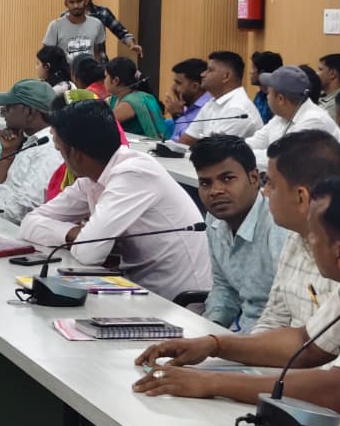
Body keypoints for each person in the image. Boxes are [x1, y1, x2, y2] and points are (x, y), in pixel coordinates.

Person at [133, 177, 340, 426]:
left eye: (313, 237)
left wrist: (210, 383)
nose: (309, 243)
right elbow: (305, 343)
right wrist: (215, 345)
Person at [20, 100, 210, 299]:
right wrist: (73, 233)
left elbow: (89, 253)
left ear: (75, 154)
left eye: (60, 150)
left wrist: (79, 237)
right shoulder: (92, 178)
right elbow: (29, 223)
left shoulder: (134, 173)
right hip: (138, 291)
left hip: (178, 301)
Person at [252, 130, 340, 331]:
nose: (265, 192)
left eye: (270, 184)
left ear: (301, 197)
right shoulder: (295, 236)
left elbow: (334, 345)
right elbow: (273, 319)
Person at [188, 135, 289, 332]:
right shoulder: (213, 220)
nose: (215, 191)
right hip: (239, 336)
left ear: (254, 178)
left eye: (227, 179)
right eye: (205, 183)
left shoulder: (278, 226)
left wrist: (228, 345)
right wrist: (211, 329)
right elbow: (225, 288)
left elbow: (289, 312)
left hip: (272, 339)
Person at [0, 79, 60, 223]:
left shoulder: (49, 149)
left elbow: (24, 210)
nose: (3, 113)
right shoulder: (29, 141)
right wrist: (7, 155)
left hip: (12, 228)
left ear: (30, 112)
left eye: (9, 107)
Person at [244, 65, 340, 151]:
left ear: (280, 99)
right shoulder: (282, 116)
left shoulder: (314, 121)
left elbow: (283, 160)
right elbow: (255, 142)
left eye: (269, 93)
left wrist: (242, 157)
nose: (267, 97)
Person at [179, 51, 263, 143]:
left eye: (210, 70)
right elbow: (187, 140)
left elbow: (216, 150)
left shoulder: (238, 109)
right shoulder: (212, 102)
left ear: (226, 76)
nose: (202, 74)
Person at [70, 0, 142, 58]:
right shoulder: (67, 16)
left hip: (99, 63)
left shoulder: (103, 13)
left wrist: (132, 45)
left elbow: (122, 33)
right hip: (76, 63)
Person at [103, 58, 166, 140]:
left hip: (145, 146)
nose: (104, 80)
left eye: (105, 77)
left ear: (116, 80)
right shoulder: (115, 98)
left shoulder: (133, 101)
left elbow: (103, 122)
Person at [42, 0, 106, 61]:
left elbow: (97, 53)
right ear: (66, 3)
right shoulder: (55, 26)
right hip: (64, 69)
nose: (76, 6)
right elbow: (45, 56)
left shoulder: (96, 24)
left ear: (86, 1)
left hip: (89, 68)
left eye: (79, 1)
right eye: (71, 2)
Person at [165, 58, 212, 142]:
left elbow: (188, 142)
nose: (173, 88)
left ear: (194, 87)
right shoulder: (187, 104)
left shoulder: (208, 107)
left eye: (178, 83)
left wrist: (178, 115)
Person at [249, 51, 283, 124]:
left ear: (262, 73)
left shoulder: (278, 99)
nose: (250, 72)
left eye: (253, 68)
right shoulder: (259, 95)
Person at [316, 53, 340, 119]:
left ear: (333, 73)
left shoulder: (339, 105)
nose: (316, 74)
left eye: (320, 69)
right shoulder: (320, 95)